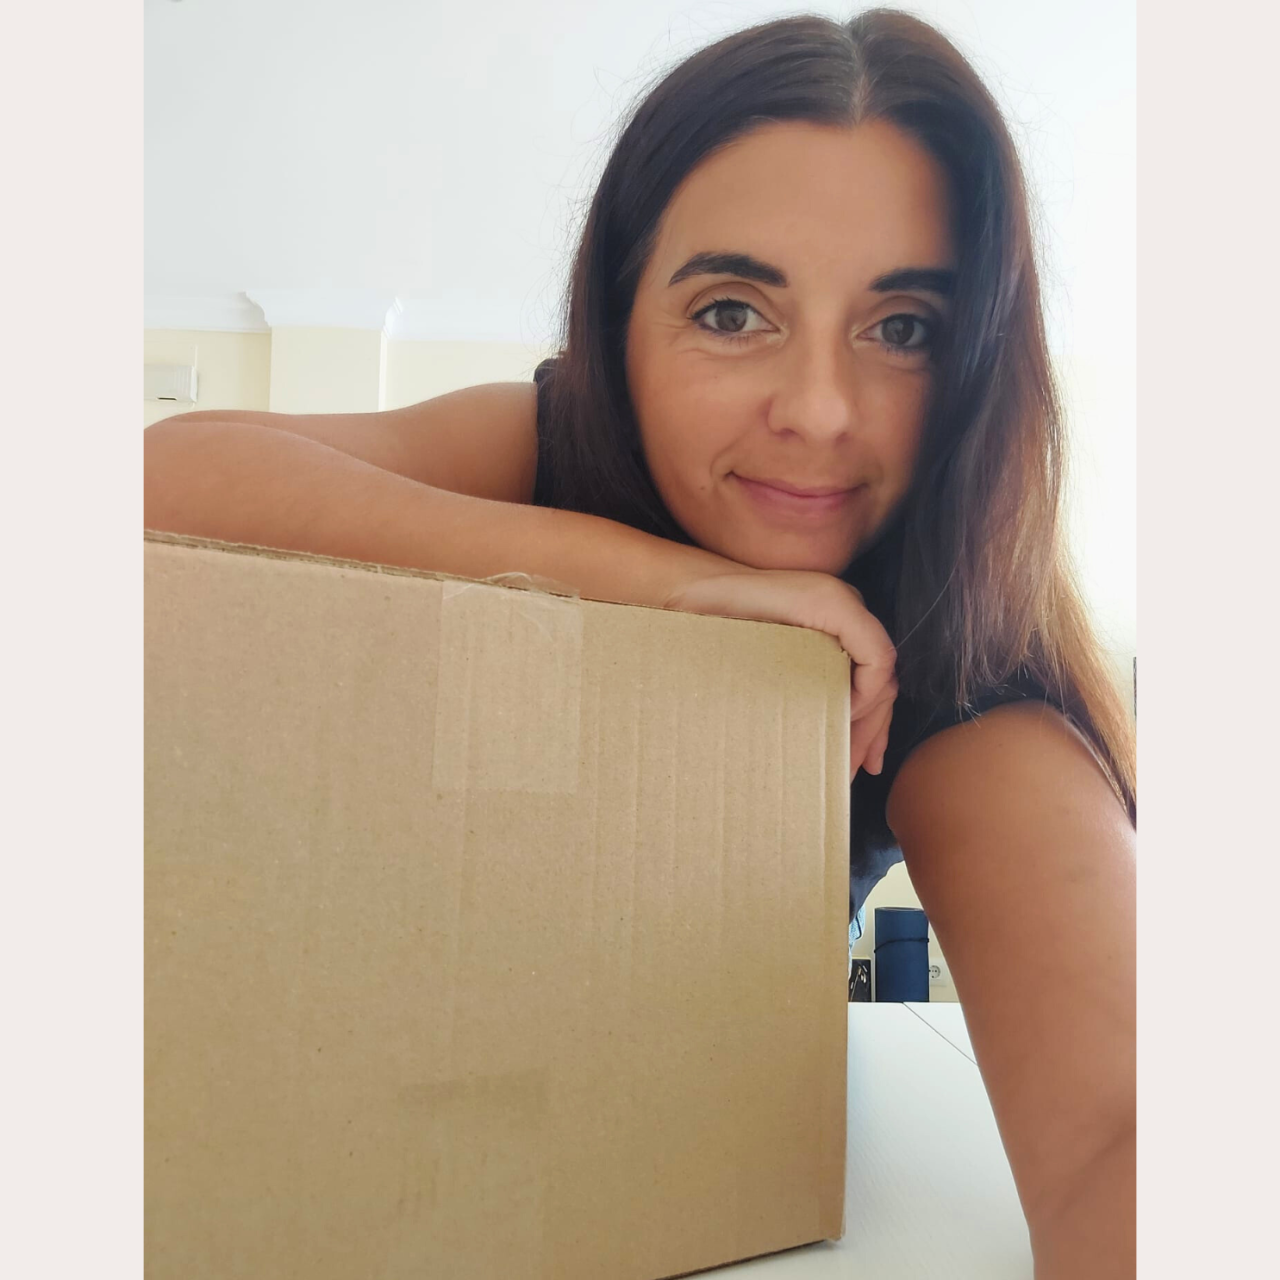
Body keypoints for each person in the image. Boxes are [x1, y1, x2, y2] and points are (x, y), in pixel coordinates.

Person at [144, 9, 1136, 1275]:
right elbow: (160, 477)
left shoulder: (964, 692)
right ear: (617, 322)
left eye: (903, 329)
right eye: (731, 311)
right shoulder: (548, 443)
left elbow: (1123, 1137)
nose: (817, 410)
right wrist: (667, 584)